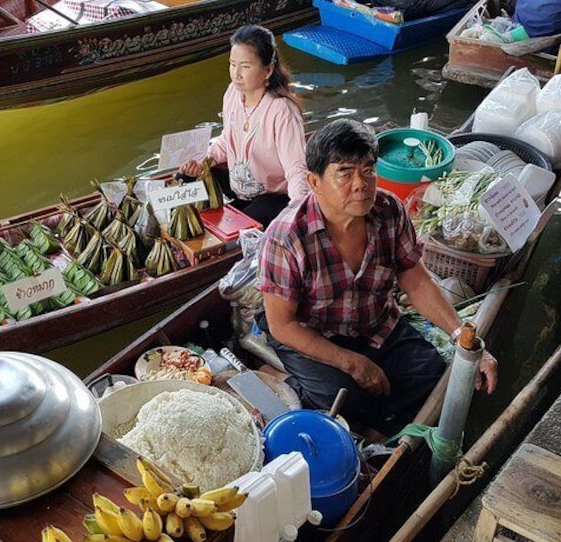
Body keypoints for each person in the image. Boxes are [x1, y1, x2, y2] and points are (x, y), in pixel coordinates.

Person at [255, 119, 498, 436]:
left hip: (376, 323)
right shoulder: (286, 236)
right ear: (314, 182)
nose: (361, 183)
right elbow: (281, 325)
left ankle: (382, 426)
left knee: (436, 379)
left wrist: (462, 341)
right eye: (344, 172)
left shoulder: (390, 211)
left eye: (368, 169)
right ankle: (279, 375)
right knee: (342, 398)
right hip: (311, 332)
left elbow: (416, 278)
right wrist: (353, 363)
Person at [179, 25, 309, 228]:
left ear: (268, 70)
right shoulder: (232, 92)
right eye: (232, 64)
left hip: (272, 196)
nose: (236, 74)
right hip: (238, 186)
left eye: (246, 67)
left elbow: (296, 169)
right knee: (184, 178)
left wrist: (298, 214)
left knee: (238, 226)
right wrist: (202, 161)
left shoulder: (281, 110)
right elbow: (226, 140)